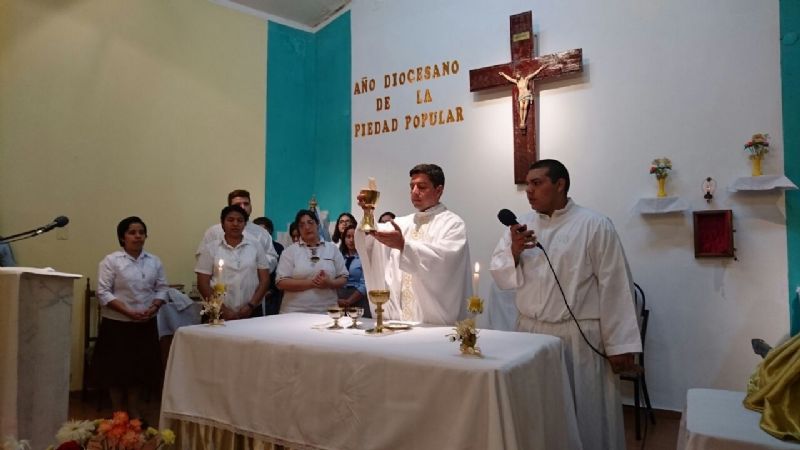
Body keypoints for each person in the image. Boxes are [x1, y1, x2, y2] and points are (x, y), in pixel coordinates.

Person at [489, 159, 641, 450]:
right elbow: (500, 276)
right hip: (530, 336)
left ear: (560, 185)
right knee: (537, 413)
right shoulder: (519, 227)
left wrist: (620, 345)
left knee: (584, 415)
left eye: (537, 183)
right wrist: (514, 252)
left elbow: (615, 285)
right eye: (527, 184)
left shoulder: (594, 225)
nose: (529, 191)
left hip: (577, 339)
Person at [355, 163, 471, 325]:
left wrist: (404, 246)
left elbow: (444, 261)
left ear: (439, 190)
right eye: (412, 187)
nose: (414, 192)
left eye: (421, 187)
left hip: (433, 324)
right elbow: (372, 238)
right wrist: (368, 212)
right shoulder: (403, 223)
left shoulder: (452, 224)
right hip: (399, 321)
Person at [92, 216, 168, 420]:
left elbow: (162, 288)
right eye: (132, 232)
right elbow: (103, 292)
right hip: (118, 324)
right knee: (116, 371)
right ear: (122, 237)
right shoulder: (111, 261)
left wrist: (153, 307)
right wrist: (128, 312)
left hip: (145, 323)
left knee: (139, 371)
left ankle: (134, 409)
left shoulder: (154, 261)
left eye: (141, 232)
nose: (137, 236)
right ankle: (118, 411)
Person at [195, 205, 270, 320]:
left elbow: (264, 280)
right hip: (216, 312)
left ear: (245, 224)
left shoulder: (255, 246)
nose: (235, 224)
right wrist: (222, 309)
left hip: (251, 311)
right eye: (230, 220)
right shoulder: (210, 249)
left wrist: (251, 306)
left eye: (240, 220)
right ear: (222, 223)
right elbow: (202, 284)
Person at [277, 210, 348, 313]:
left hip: (327, 311)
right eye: (302, 225)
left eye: (310, 222)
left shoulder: (332, 249)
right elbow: (281, 283)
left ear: (317, 224)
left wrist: (329, 283)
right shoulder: (289, 251)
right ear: (299, 229)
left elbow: (343, 277)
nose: (307, 227)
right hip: (294, 311)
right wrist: (312, 283)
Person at [196, 189, 278, 273]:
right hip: (220, 278)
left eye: (246, 204)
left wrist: (251, 266)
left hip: (252, 279)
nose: (242, 207)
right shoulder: (213, 232)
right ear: (230, 207)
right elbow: (202, 258)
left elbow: (272, 258)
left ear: (251, 206)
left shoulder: (262, 233)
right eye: (237, 204)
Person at [337, 225, 371, 318]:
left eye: (355, 237)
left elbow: (365, 283)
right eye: (348, 237)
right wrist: (337, 300)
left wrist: (349, 301)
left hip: (358, 298)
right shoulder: (339, 256)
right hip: (339, 299)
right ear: (344, 239)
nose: (351, 240)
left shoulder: (365, 257)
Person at [498, 64, 547, 129]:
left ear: (520, 74)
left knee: (525, 107)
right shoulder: (517, 82)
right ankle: (522, 121)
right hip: (521, 96)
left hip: (526, 94)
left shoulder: (526, 79)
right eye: (516, 76)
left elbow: (534, 74)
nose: (516, 76)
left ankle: (524, 120)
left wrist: (540, 68)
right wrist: (503, 74)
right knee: (521, 107)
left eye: (517, 75)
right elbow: (509, 78)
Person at [253, 216, 284, 315]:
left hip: (270, 294)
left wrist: (270, 291)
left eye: (263, 231)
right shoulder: (249, 246)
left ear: (269, 232)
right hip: (251, 295)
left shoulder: (278, 247)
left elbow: (279, 272)